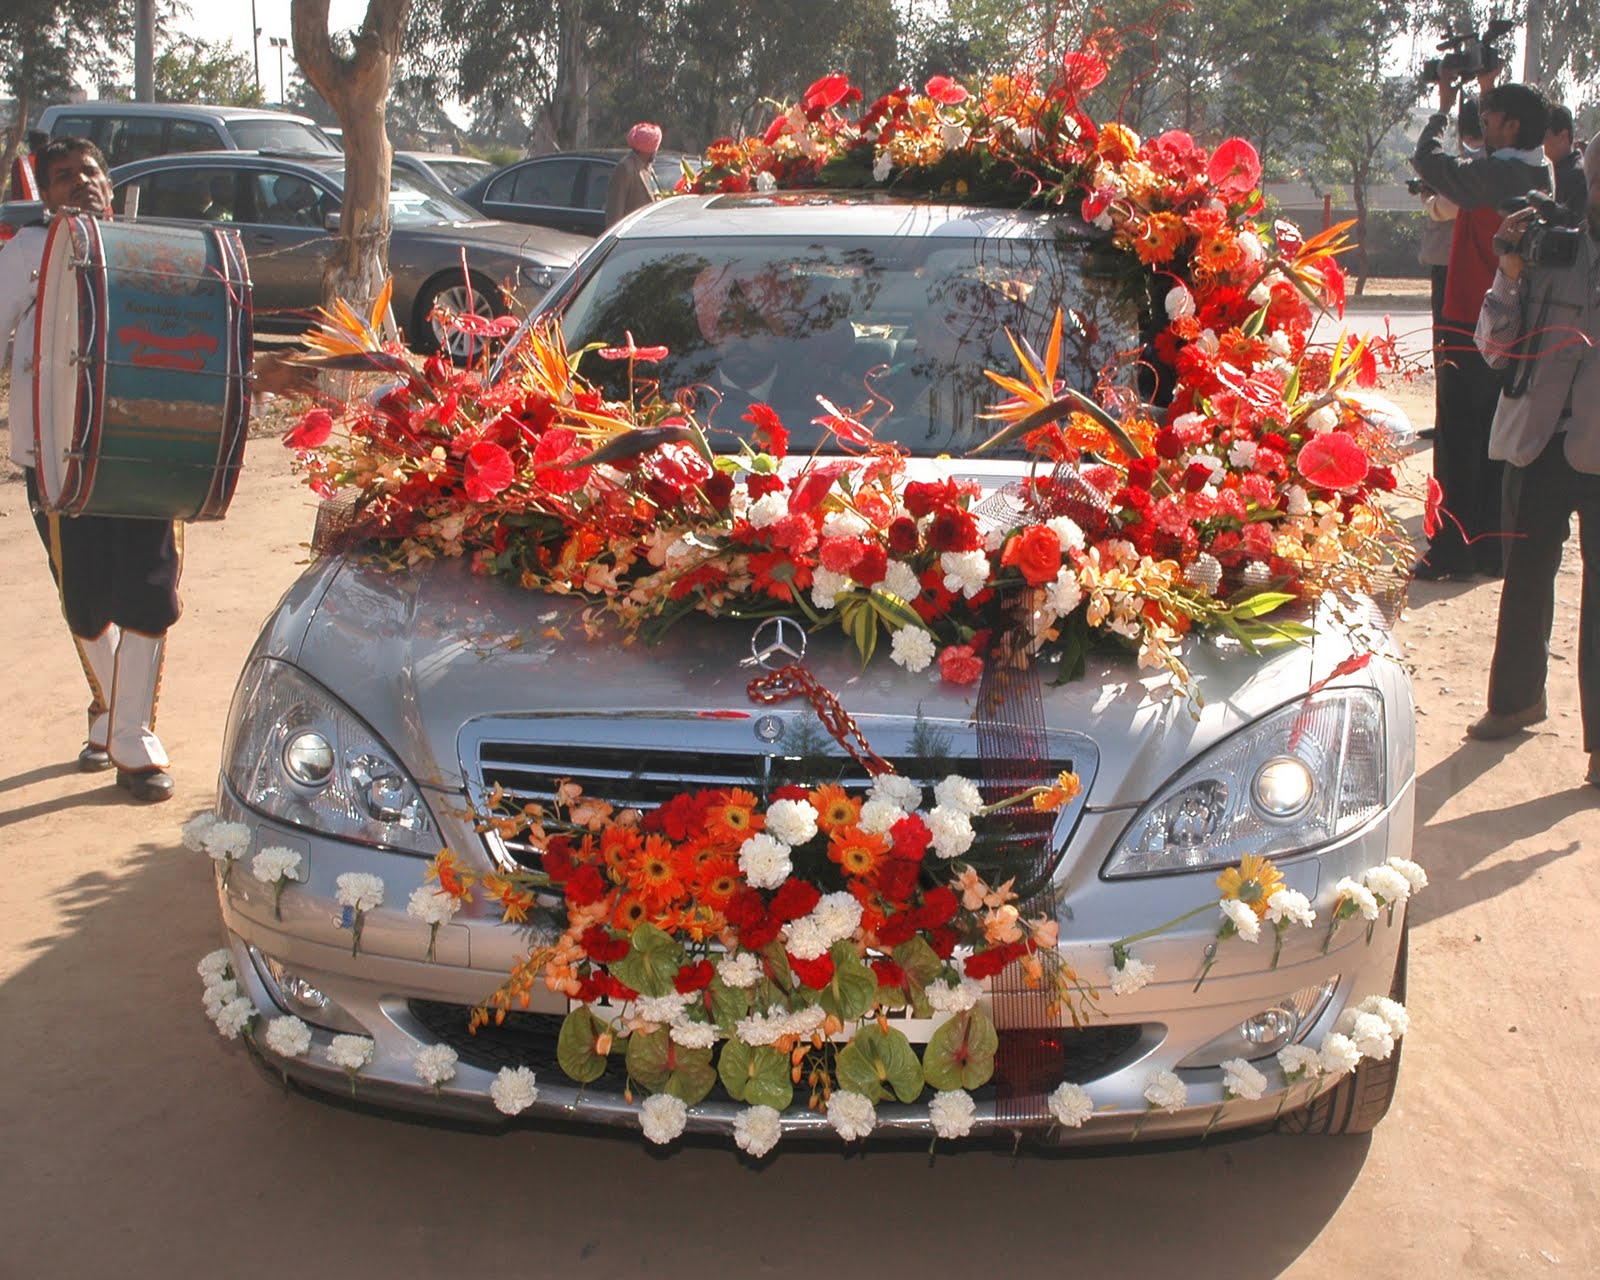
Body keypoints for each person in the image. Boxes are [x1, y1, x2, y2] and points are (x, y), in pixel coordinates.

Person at [0, 138, 180, 801]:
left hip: (141, 451)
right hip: (54, 456)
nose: (81, 183)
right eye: (64, 176)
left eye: (91, 171)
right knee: (84, 595)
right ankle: (110, 712)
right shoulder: (24, 252)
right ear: (44, 193)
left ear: (111, 182)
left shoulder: (150, 251)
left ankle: (132, 738)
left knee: (150, 586)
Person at [1467, 134, 1600, 788]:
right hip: (1540, 444)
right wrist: (1510, 273)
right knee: (1524, 580)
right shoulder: (1551, 247)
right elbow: (1494, 349)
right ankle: (1518, 699)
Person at [1412, 76, 1552, 580]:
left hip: (1470, 317)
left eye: (1492, 118)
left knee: (1456, 440)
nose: (1485, 126)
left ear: (1512, 125)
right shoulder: (1541, 172)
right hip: (1515, 326)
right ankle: (1492, 548)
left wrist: (1441, 112)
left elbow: (1431, 164)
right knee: (1497, 441)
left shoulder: (1495, 175)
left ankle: (1451, 549)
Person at [605, 122, 662, 227]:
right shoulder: (625, 168)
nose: (656, 151)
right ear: (647, 149)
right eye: (655, 148)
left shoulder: (648, 168)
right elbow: (615, 211)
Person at [1545, 104, 1587, 221]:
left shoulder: (1579, 177)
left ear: (1563, 136)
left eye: (1543, 138)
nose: (1537, 146)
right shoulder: (1553, 170)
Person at [6, 129, 46, 202]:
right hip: (49, 210)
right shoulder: (52, 162)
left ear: (30, 144)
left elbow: (16, 193)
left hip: (25, 209)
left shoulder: (20, 162)